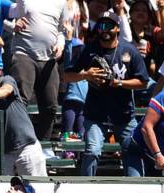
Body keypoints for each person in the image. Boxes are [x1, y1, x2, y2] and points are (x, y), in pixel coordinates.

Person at [64, 11, 149, 177]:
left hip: (124, 114)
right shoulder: (89, 49)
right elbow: (67, 76)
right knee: (92, 151)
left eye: (109, 26)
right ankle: (85, 186)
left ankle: (136, 186)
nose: (105, 29)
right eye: (101, 25)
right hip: (96, 114)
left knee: (132, 151)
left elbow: (143, 82)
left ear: (117, 28)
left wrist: (119, 83)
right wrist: (85, 75)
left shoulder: (129, 50)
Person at [0, 53, 46, 176]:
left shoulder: (6, 80)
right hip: (0, 151)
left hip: (26, 145)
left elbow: (6, 90)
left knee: (36, 185)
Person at [9, 0, 68, 142]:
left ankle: (43, 144)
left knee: (51, 105)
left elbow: (60, 31)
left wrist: (60, 45)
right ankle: (19, 142)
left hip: (49, 58)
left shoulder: (61, 3)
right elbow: (2, 18)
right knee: (20, 100)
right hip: (24, 53)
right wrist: (12, 26)